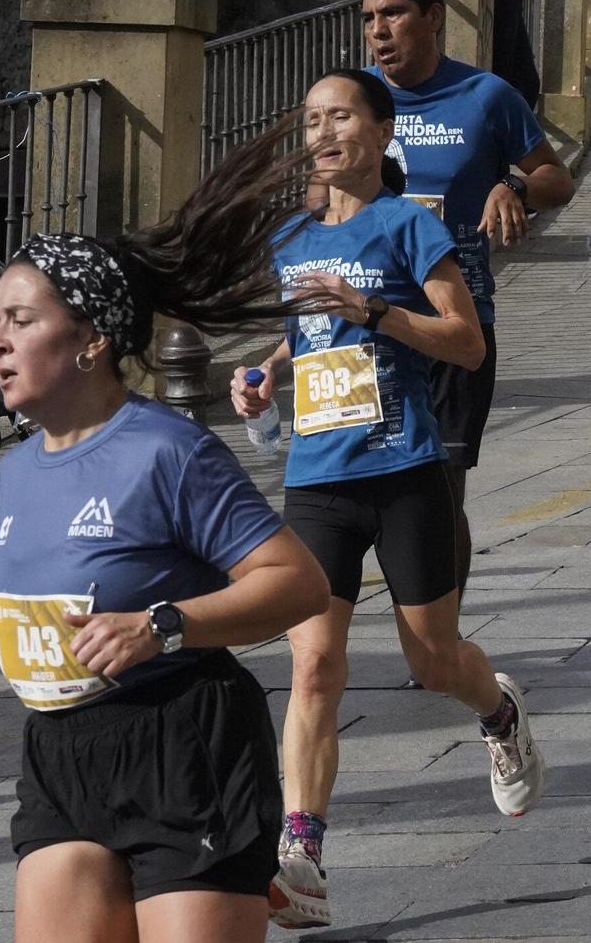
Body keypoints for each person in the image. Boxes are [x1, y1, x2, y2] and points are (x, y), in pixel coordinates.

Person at [0, 138, 338, 943]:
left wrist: (163, 624)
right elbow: (12, 605)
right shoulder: (19, 469)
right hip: (60, 755)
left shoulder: (169, 450)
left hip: (183, 743)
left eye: (21, 320)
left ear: (91, 340)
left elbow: (298, 582)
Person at [234, 71, 549, 930]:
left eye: (339, 114)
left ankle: (500, 710)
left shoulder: (411, 226)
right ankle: (302, 854)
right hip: (320, 479)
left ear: (379, 131)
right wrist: (268, 374)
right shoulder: (295, 237)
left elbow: (467, 342)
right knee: (313, 665)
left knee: (436, 659)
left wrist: (376, 311)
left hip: (405, 471)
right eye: (310, 119)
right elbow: (310, 334)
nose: (322, 129)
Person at [360, 0, 576, 594]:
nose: (380, 30)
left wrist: (512, 185)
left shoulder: (485, 97)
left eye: (394, 13)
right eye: (370, 18)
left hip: (458, 325)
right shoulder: (354, 100)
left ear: (434, 18)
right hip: (370, 327)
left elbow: (555, 178)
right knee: (371, 491)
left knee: (439, 490)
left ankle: (442, 636)